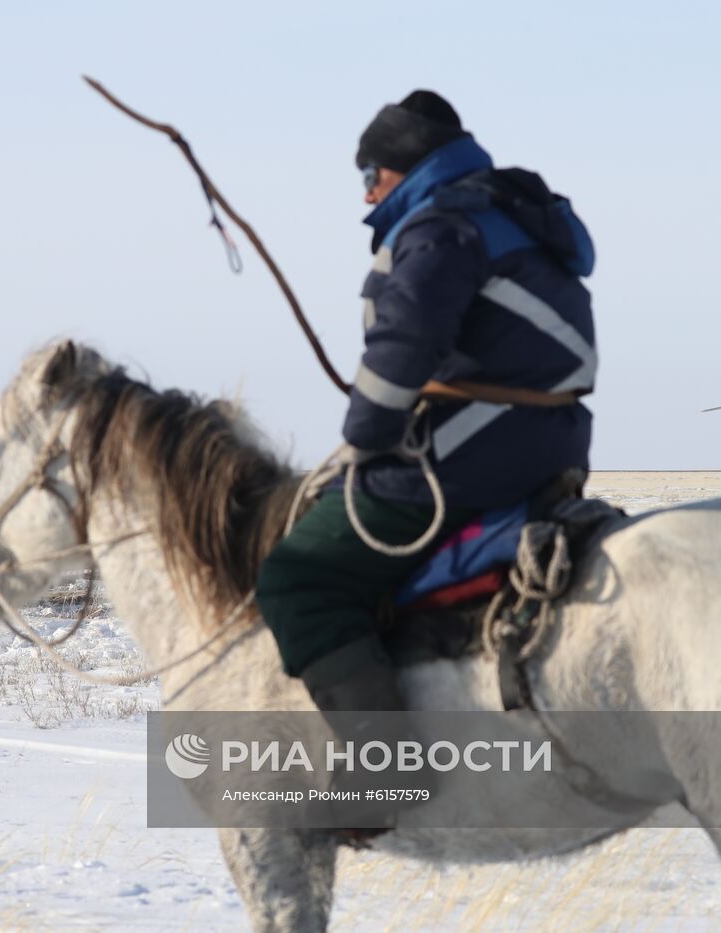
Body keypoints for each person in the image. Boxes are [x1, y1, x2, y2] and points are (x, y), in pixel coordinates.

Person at [256, 91, 596, 726]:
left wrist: (366, 441)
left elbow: (402, 350)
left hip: (471, 454)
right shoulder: (512, 215)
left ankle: (379, 773)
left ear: (408, 167)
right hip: (548, 446)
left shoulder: (441, 228)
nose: (364, 195)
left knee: (297, 579)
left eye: (370, 175)